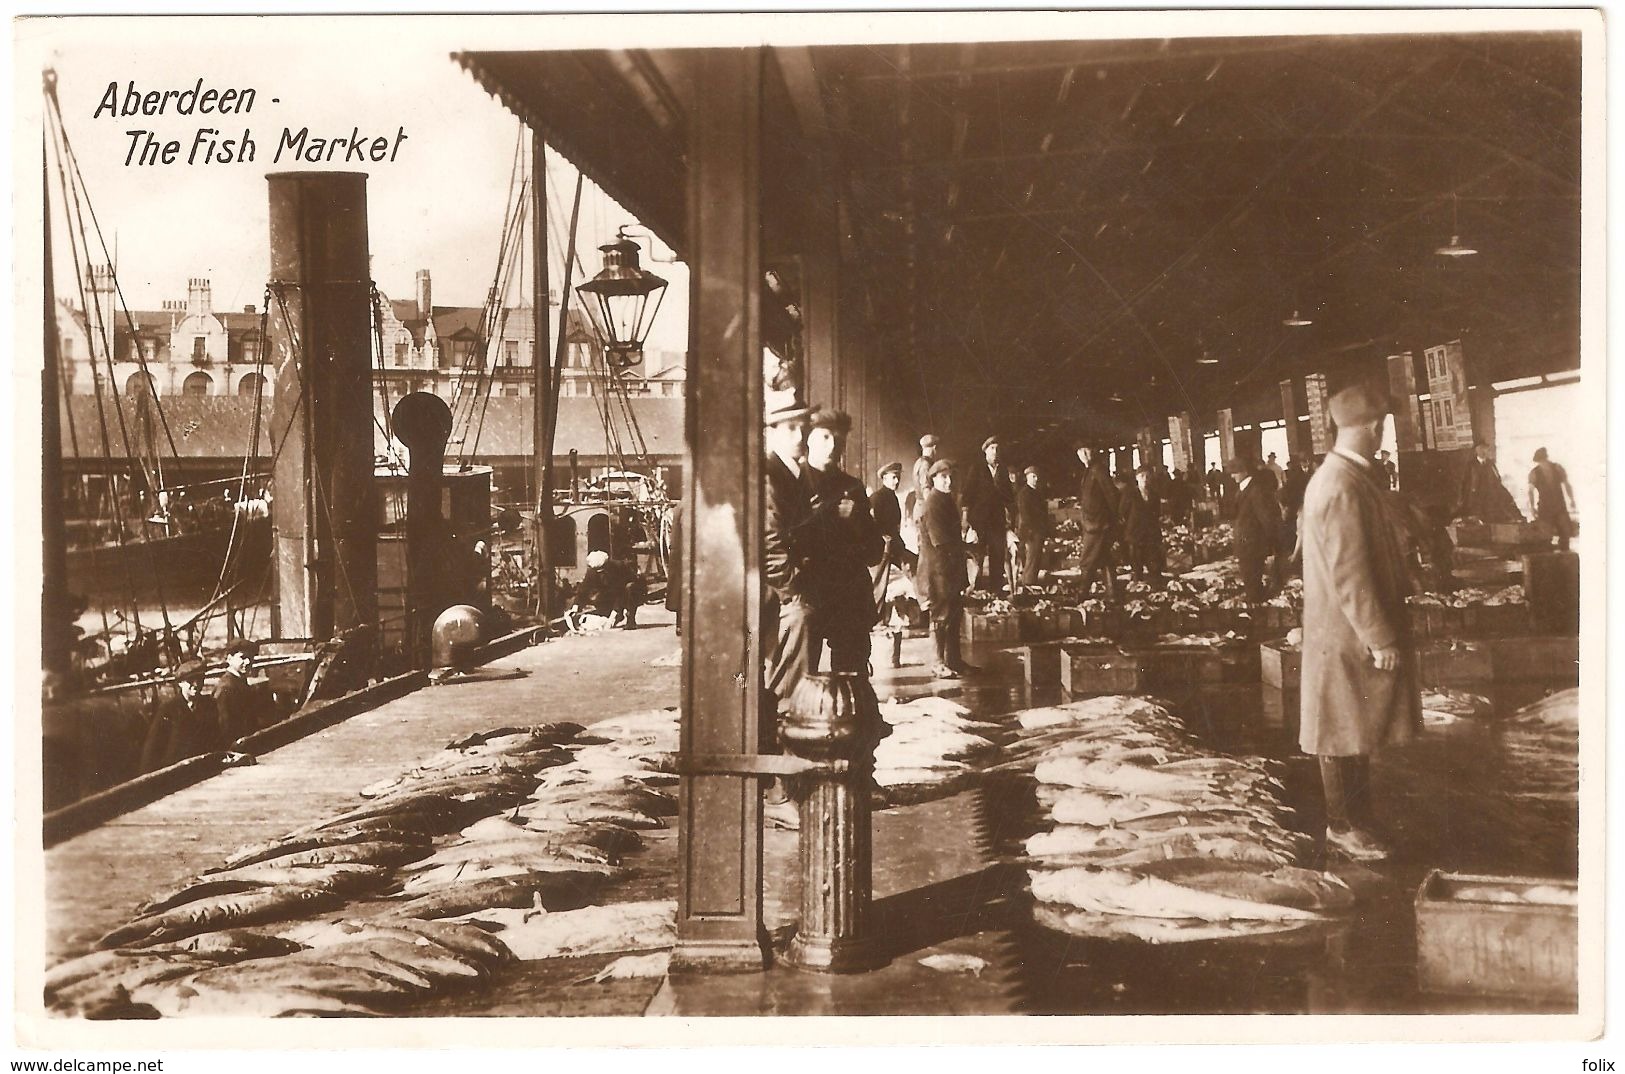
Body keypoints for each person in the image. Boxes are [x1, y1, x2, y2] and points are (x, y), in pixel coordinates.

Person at [1299, 383, 1421, 862]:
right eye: (1382, 427)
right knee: (1338, 728)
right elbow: (1351, 572)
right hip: (1345, 632)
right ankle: (1342, 826)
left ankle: (1358, 820)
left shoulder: (1344, 478)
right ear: (1373, 427)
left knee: (1352, 729)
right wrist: (1380, 635)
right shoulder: (1341, 484)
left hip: (1341, 631)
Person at [762, 398, 817, 829]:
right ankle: (780, 788)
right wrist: (793, 591)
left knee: (793, 685)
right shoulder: (769, 476)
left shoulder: (793, 475)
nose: (801, 435)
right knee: (784, 687)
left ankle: (789, 777)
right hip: (778, 601)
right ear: (774, 430)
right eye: (793, 427)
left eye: (804, 427)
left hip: (792, 593)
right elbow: (770, 543)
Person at [804, 410, 884, 674]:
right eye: (825, 437)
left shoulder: (852, 487)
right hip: (808, 594)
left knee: (853, 677)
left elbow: (875, 551)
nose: (832, 446)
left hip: (849, 596)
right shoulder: (793, 485)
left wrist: (856, 521)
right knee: (801, 679)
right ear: (808, 439)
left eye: (838, 440)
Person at [918, 459, 973, 679]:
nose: (948, 481)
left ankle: (954, 661)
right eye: (943, 477)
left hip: (950, 566)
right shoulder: (932, 503)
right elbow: (941, 541)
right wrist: (965, 549)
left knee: (954, 613)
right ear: (933, 479)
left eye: (950, 477)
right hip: (939, 569)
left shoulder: (946, 500)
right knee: (941, 614)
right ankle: (938, 662)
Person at [960, 436, 1015, 593]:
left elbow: (1009, 497)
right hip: (980, 520)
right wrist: (965, 517)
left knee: (997, 553)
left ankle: (995, 589)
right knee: (977, 554)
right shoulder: (977, 468)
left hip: (997, 520)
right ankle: (974, 587)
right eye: (992, 449)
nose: (995, 452)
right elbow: (967, 493)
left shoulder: (1003, 470)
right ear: (985, 451)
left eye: (997, 449)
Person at [139, 664, 215, 772]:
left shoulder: (209, 704)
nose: (196, 684)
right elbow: (152, 747)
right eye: (190, 681)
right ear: (180, 683)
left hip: (204, 768)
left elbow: (216, 738)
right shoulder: (169, 709)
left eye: (200, 680)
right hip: (177, 771)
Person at [1228, 454, 1281, 603]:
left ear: (1244, 471)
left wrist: (1272, 543)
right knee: (1250, 581)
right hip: (1247, 544)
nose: (1233, 476)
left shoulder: (1255, 490)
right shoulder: (1244, 489)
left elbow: (1266, 518)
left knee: (1252, 583)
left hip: (1252, 545)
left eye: (1235, 472)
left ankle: (1257, 615)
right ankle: (1256, 609)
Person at [1076, 445, 1119, 599]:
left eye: (1088, 451)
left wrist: (1112, 519)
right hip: (1092, 522)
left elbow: (1111, 494)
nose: (1085, 454)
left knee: (1087, 560)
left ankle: (1082, 594)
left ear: (1093, 452)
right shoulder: (1089, 470)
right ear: (1078, 454)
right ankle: (1113, 593)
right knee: (1105, 557)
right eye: (1082, 452)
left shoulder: (1098, 469)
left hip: (1098, 524)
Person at [569, 549, 647, 629]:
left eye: (602, 571)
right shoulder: (591, 572)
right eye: (597, 572)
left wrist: (614, 613)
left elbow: (620, 592)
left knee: (630, 588)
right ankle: (615, 615)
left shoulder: (618, 568)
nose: (600, 574)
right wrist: (575, 607)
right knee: (603, 615)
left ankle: (631, 620)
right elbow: (583, 590)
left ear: (607, 565)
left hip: (632, 589)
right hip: (609, 592)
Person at [1454, 442, 1522, 522]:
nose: (1483, 451)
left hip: (1490, 497)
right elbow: (1465, 483)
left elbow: (1497, 479)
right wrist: (1462, 498)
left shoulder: (1490, 464)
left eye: (1485, 448)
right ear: (1476, 450)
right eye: (1480, 448)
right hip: (1476, 497)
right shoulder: (1471, 465)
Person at [1117, 467, 1164, 583]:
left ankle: (1156, 590)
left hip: (1151, 535)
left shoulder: (1154, 495)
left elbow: (1157, 513)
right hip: (1135, 534)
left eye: (1148, 476)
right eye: (1142, 476)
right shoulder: (1130, 494)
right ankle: (1138, 589)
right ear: (1137, 478)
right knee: (1136, 565)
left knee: (1154, 564)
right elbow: (1122, 512)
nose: (1145, 479)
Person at [213, 640, 262, 749]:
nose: (248, 662)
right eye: (243, 657)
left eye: (250, 658)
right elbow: (223, 728)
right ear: (229, 659)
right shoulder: (225, 688)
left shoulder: (240, 683)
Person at [1527, 448, 1575, 553]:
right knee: (1545, 537)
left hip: (1559, 507)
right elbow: (1530, 491)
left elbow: (1567, 484)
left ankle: (1565, 559)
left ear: (1546, 459)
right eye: (1540, 462)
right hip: (1545, 508)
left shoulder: (1558, 468)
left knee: (1565, 534)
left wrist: (1572, 499)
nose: (1543, 464)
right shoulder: (1534, 473)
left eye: (1544, 461)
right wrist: (1532, 507)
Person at [1014, 465, 1050, 588]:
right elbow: (1025, 515)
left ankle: (1030, 581)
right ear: (1027, 478)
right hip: (1030, 532)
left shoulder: (1037, 493)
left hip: (1038, 530)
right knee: (1032, 558)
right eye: (1033, 477)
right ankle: (1028, 583)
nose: (1035, 479)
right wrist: (1030, 531)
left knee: (1036, 557)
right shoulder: (1024, 494)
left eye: (1036, 477)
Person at [909, 434, 940, 522]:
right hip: (925, 509)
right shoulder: (926, 465)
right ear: (934, 448)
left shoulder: (918, 462)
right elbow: (926, 489)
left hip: (920, 507)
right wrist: (934, 511)